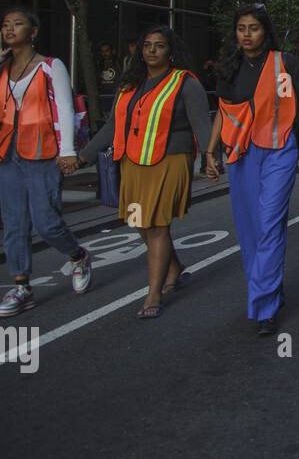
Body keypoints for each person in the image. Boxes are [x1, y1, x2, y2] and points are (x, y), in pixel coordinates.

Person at [205, 3, 299, 336]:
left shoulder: (285, 63)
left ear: (266, 31)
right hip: (239, 154)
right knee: (249, 231)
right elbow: (222, 111)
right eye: (242, 28)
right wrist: (209, 151)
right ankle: (268, 288)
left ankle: (264, 306)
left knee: (270, 225)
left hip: (278, 152)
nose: (247, 35)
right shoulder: (228, 66)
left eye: (254, 28)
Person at [0, 6, 94, 317]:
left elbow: (63, 107)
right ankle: (22, 285)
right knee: (14, 223)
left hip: (43, 153)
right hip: (8, 153)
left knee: (47, 222)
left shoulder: (51, 66)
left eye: (18, 24)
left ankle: (78, 255)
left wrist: (67, 151)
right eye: (5, 24)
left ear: (33, 32)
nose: (9, 29)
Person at [75, 26, 212, 318]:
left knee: (158, 225)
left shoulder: (185, 83)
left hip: (170, 161)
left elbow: (202, 125)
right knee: (139, 222)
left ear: (170, 51)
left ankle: (153, 296)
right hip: (133, 162)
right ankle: (173, 266)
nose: (152, 50)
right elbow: (113, 126)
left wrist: (212, 157)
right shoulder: (129, 84)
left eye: (159, 45)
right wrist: (83, 156)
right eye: (147, 45)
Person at [96, 42, 119, 116]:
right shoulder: (99, 65)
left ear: (112, 51)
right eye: (103, 51)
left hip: (115, 97)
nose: (105, 53)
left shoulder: (118, 63)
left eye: (107, 51)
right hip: (103, 98)